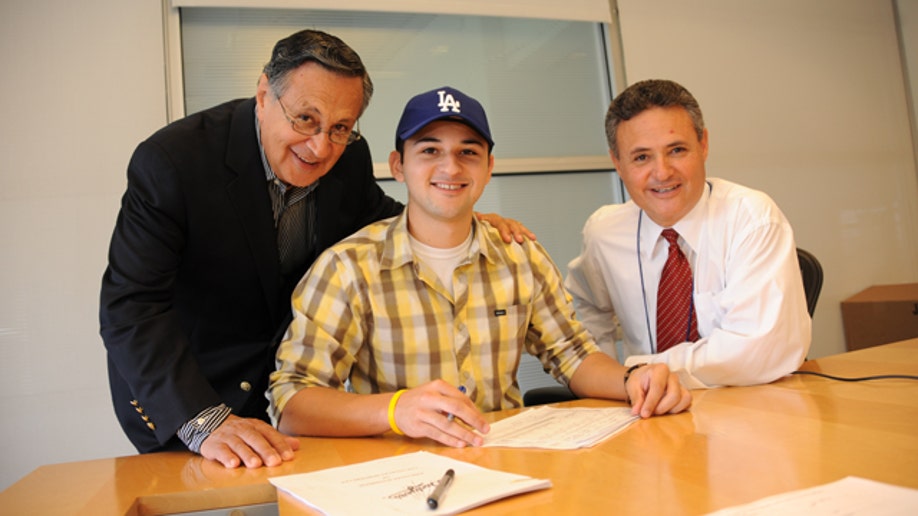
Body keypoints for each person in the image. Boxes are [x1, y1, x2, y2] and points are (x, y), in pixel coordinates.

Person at [99, 30, 530, 468]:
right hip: (189, 395)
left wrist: (459, 217)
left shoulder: (349, 158)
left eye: (341, 127)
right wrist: (202, 420)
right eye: (306, 119)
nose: (321, 147)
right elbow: (131, 305)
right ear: (264, 94)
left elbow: (384, 216)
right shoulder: (175, 162)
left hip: (287, 396)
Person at [267, 86, 692, 447]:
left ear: (489, 168)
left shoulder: (520, 255)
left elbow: (573, 354)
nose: (450, 167)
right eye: (430, 150)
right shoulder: (348, 267)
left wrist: (632, 379)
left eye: (467, 152)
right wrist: (395, 410)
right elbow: (291, 401)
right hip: (399, 474)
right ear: (398, 166)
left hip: (505, 464)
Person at [565, 79, 811, 389]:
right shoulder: (604, 233)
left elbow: (757, 350)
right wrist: (608, 380)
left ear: (703, 144)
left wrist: (635, 371)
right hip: (650, 413)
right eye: (641, 157)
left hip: (752, 406)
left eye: (677, 150)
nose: (663, 172)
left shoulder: (752, 219)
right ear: (617, 162)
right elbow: (583, 310)